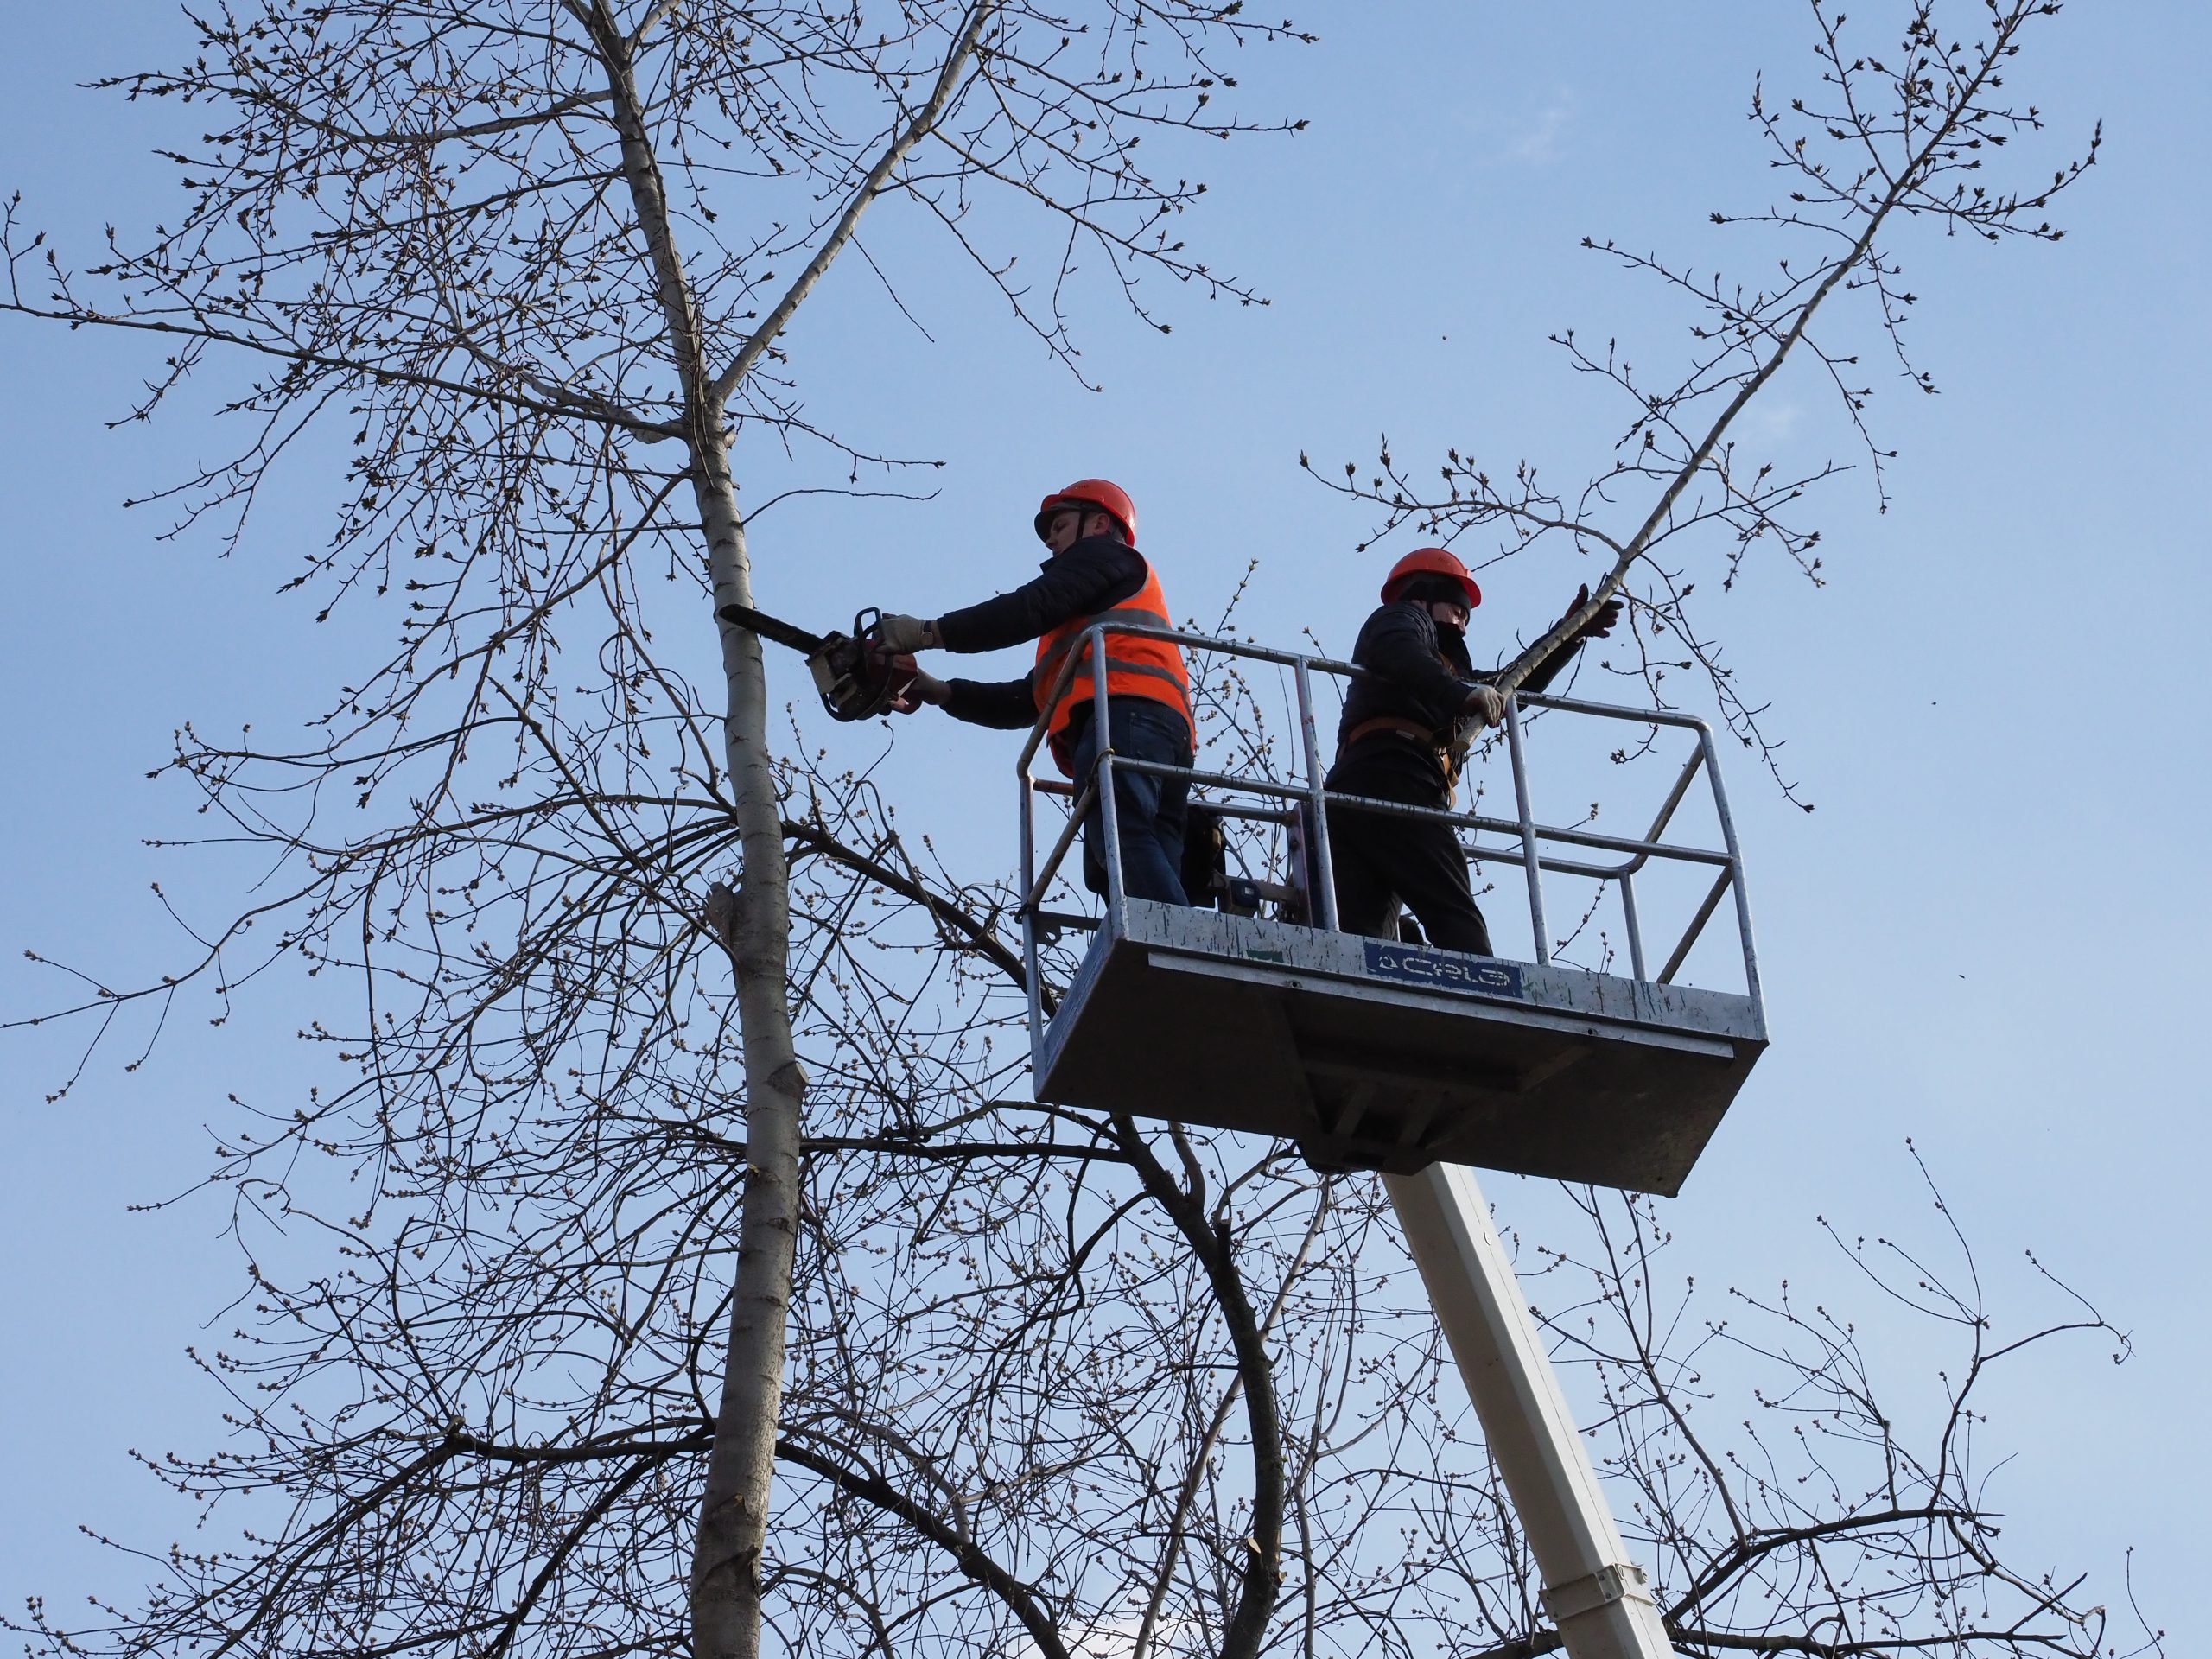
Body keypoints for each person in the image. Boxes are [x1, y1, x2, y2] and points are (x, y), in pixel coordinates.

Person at [877, 479, 1196, 906]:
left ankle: (1167, 949)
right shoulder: (1092, 615)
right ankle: (1171, 955)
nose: (1050, 539)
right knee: (1129, 858)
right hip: (1159, 731)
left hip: (1125, 717)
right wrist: (942, 691)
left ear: (1100, 523)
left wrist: (928, 633)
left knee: (1118, 835)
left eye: (1060, 525)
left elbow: (1028, 608)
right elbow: (1030, 701)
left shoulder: (1102, 557)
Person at [1325, 548, 1620, 954]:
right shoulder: (1403, 620)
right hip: (1396, 775)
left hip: (1358, 788)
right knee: (1455, 916)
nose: (1463, 623)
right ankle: (1489, 1002)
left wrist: (1568, 635)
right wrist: (1458, 695)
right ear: (1422, 597)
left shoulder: (1441, 668)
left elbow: (1509, 686)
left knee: (1363, 939)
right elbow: (1400, 651)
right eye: (1458, 609)